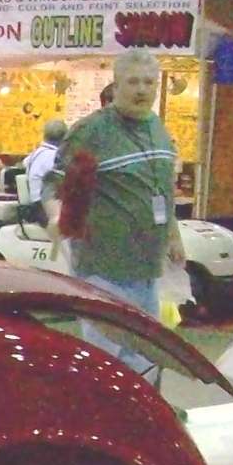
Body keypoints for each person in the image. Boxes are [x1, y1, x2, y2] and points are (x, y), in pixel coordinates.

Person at [45, 48, 185, 381]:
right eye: (133, 82)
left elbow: (161, 190)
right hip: (103, 267)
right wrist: (55, 215)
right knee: (107, 360)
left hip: (147, 268)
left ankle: (144, 420)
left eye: (149, 83)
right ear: (116, 84)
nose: (141, 90)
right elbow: (54, 182)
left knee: (148, 353)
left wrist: (174, 235)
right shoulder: (93, 130)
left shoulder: (158, 128)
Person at [20, 117, 68, 223]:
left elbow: (24, 163)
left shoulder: (36, 154)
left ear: (45, 135)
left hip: (35, 207)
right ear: (65, 138)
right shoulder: (55, 157)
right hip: (46, 208)